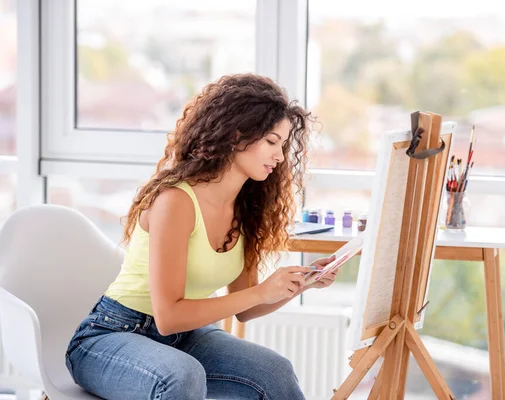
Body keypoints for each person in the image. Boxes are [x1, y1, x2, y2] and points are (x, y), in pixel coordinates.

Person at [65, 73, 338, 400]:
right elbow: (168, 317)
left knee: (273, 370)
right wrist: (261, 292)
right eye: (271, 141)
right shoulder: (176, 201)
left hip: (185, 338)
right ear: (238, 135)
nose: (280, 157)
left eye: (282, 145)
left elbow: (246, 306)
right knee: (181, 375)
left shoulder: (247, 209)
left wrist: (298, 285)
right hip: (112, 335)